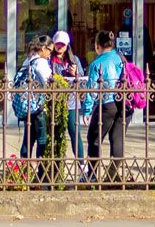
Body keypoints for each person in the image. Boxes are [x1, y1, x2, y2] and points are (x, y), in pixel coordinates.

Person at [84, 29, 126, 177]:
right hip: (123, 103)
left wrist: (87, 110)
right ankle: (113, 176)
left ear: (97, 45)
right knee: (117, 139)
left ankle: (93, 175)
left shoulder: (97, 63)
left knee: (94, 138)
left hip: (107, 103)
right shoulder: (120, 58)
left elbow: (92, 89)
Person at [11, 35, 54, 160]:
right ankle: (42, 170)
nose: (50, 54)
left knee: (28, 138)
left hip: (26, 104)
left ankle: (25, 169)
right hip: (37, 105)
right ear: (43, 48)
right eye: (49, 50)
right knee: (42, 139)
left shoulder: (28, 60)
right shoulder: (41, 62)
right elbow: (48, 81)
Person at [48, 30, 86, 170]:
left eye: (62, 45)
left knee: (74, 132)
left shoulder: (74, 60)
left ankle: (82, 164)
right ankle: (55, 165)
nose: (60, 47)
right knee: (56, 134)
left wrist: (75, 73)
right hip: (55, 101)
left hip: (71, 101)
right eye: (57, 44)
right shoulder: (49, 60)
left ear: (67, 45)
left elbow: (82, 80)